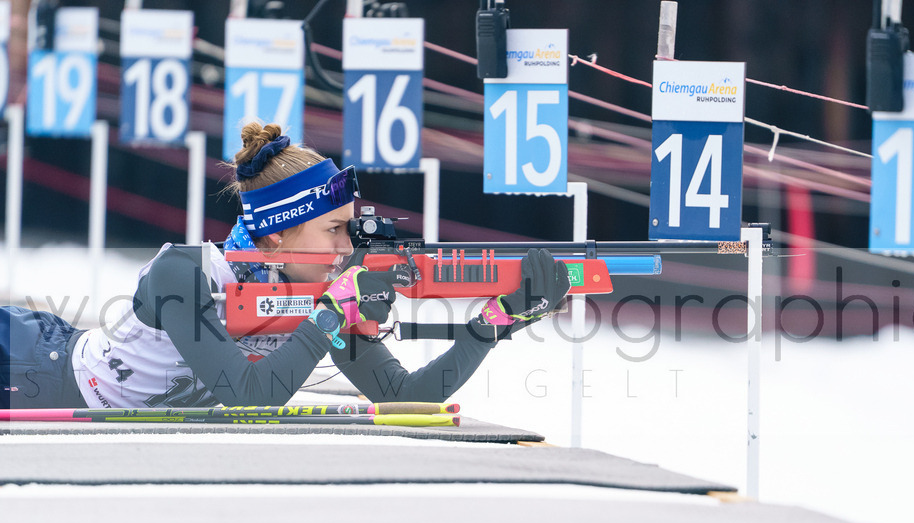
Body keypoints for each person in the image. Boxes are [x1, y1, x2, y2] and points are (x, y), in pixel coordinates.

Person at [1, 122, 570, 410]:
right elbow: (251, 398)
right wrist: (333, 312)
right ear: (274, 238)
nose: (349, 244)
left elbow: (404, 399)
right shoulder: (186, 273)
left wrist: (494, 322)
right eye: (333, 229)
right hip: (31, 368)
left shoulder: (316, 295)